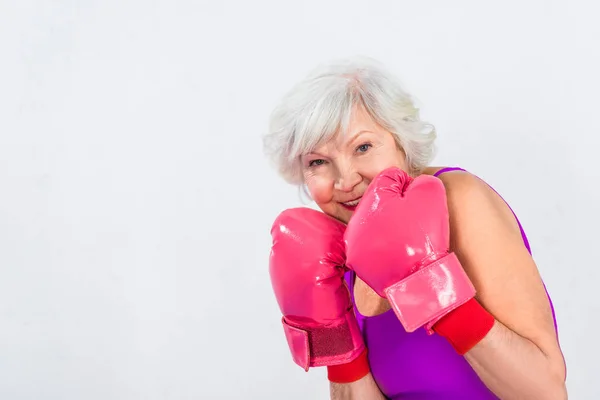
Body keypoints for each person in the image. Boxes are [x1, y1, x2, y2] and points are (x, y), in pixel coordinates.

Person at [263, 56, 567, 399]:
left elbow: (546, 391)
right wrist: (334, 341)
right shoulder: (335, 252)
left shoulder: (460, 200)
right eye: (318, 162)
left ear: (402, 141)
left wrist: (432, 288)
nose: (346, 180)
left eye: (363, 147)